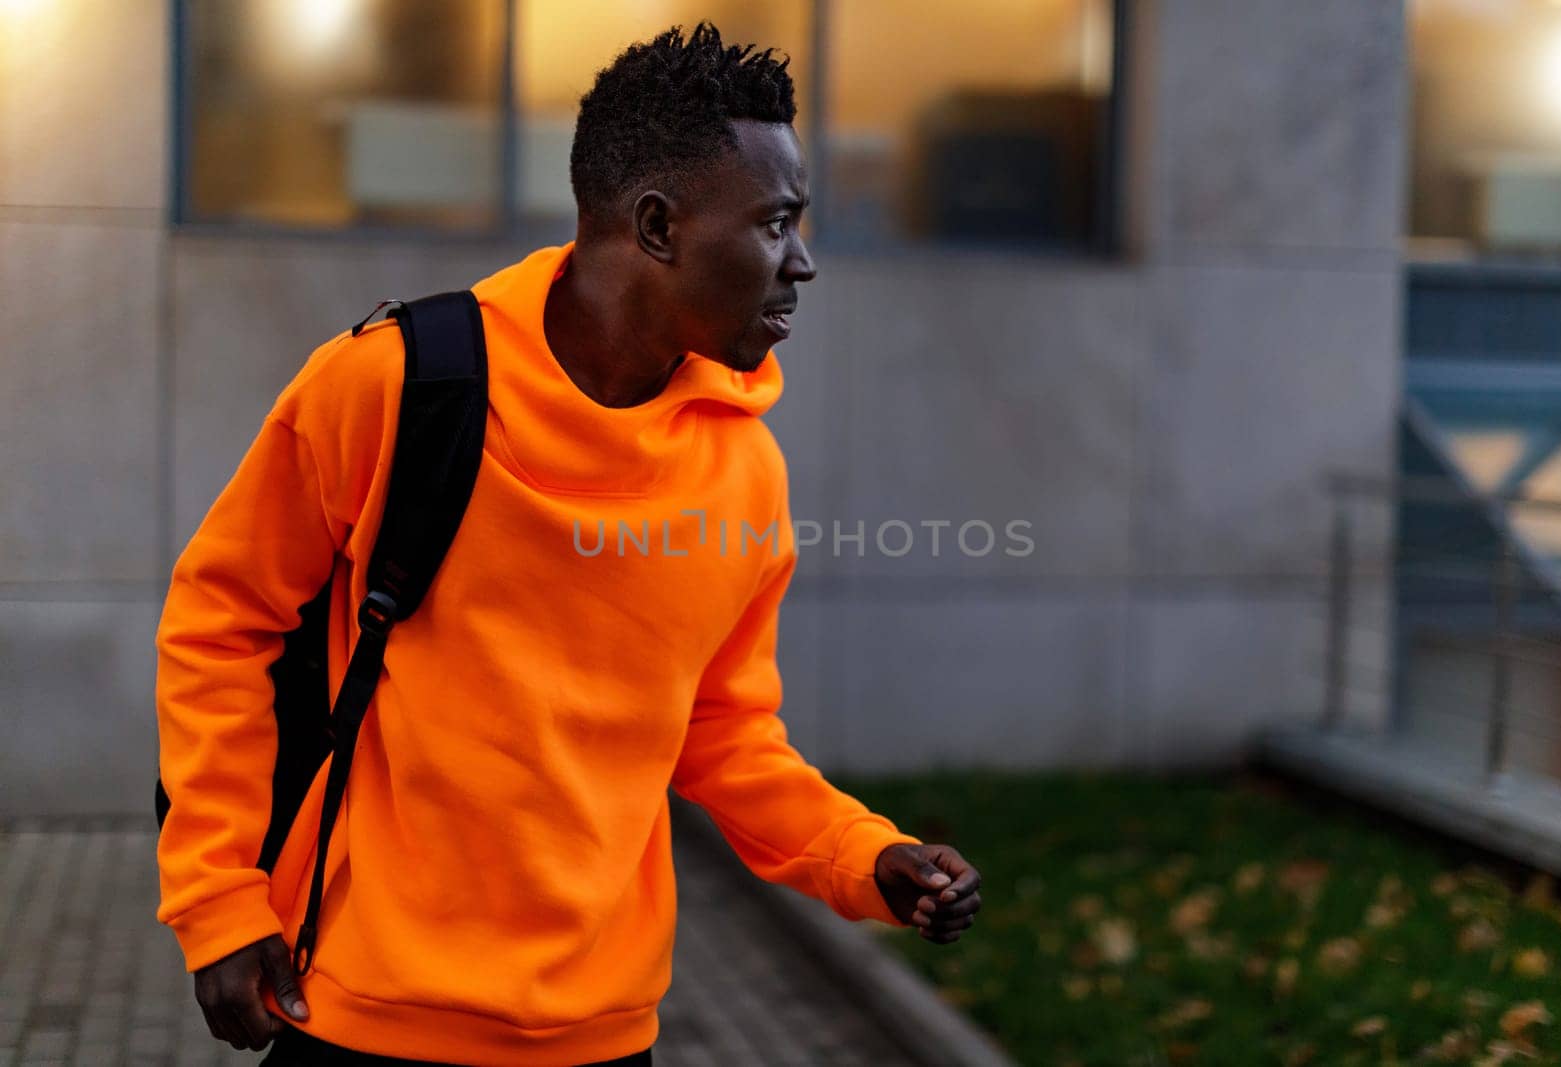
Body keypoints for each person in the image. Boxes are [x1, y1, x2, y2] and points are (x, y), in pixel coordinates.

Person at [154, 21, 982, 1066]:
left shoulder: (743, 471)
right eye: (776, 222)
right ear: (656, 224)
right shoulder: (394, 385)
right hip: (358, 1017)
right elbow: (218, 625)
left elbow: (723, 731)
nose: (802, 262)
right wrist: (219, 902)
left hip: (602, 1035)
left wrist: (869, 856)